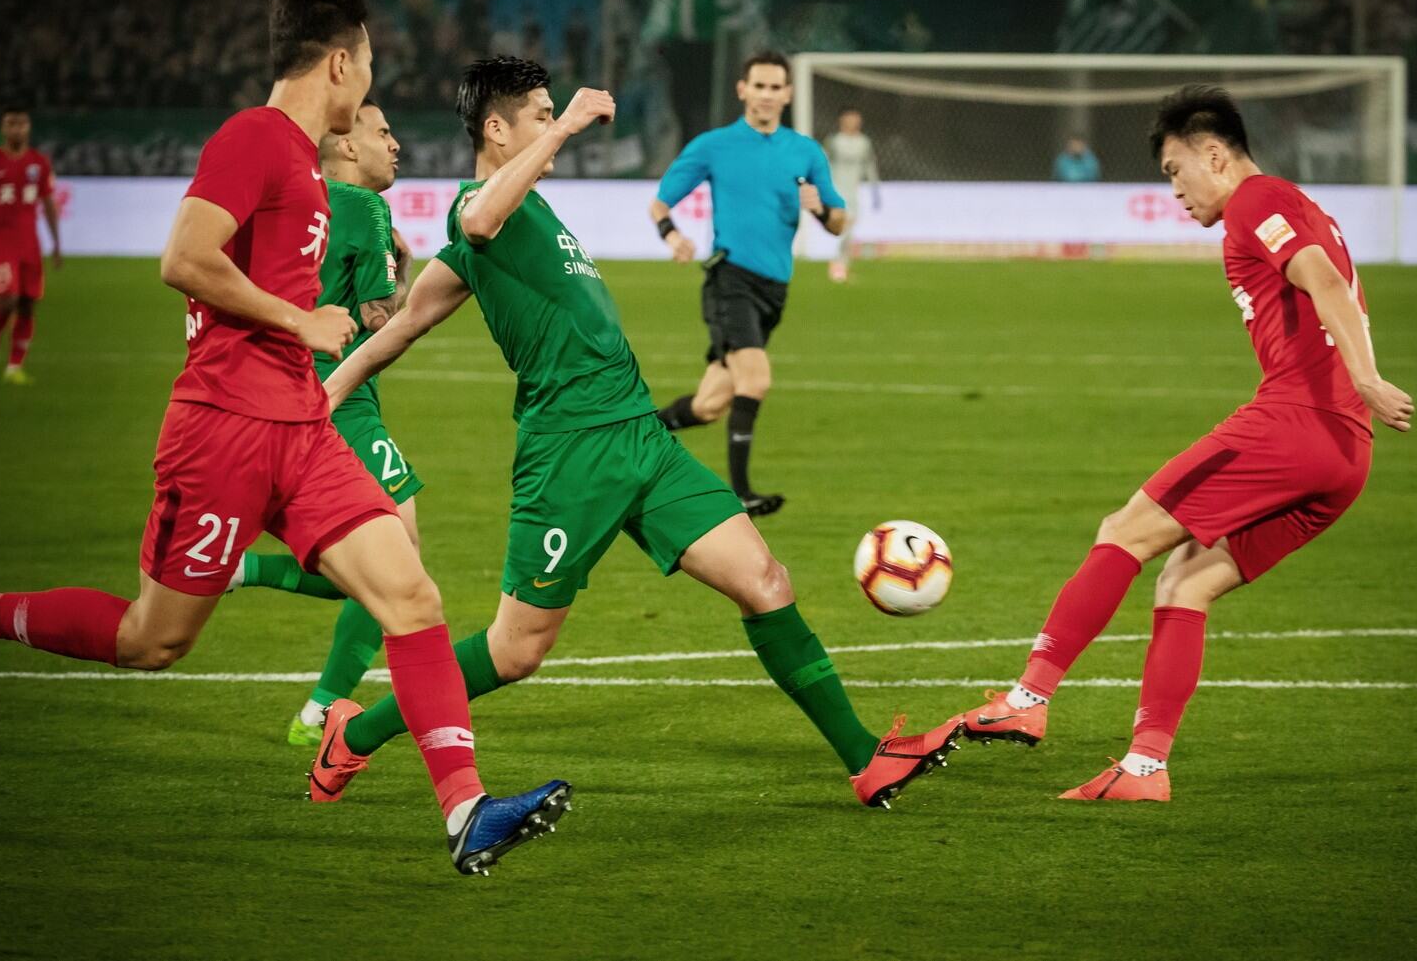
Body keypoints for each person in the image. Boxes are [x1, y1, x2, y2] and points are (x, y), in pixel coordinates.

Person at [0, 0, 562, 877]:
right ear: (339, 63)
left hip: (300, 427)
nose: (371, 84)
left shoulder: (305, 164)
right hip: (222, 429)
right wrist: (300, 320)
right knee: (152, 639)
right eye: (367, 64)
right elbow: (183, 257)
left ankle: (466, 810)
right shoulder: (253, 137)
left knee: (411, 598)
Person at [310, 55, 963, 814]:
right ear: (497, 129)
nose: (552, 125)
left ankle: (864, 759)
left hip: (642, 438)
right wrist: (567, 126)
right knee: (516, 650)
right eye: (539, 114)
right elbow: (477, 222)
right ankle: (356, 733)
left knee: (765, 581)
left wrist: (328, 391)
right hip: (569, 455)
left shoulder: (521, 218)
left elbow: (403, 325)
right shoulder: (475, 211)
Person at [955, 85, 1413, 800]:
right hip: (1346, 453)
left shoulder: (1256, 200)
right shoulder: (1293, 205)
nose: (1173, 190)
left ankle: (1027, 697)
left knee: (1124, 531)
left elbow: (1323, 280)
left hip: (1296, 423)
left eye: (1175, 171)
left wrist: (1368, 377)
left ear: (1214, 155)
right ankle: (1145, 767)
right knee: (1186, 581)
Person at [219, 98, 424, 747]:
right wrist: (413, 281)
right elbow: (379, 321)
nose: (395, 144)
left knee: (371, 567)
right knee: (397, 558)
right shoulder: (365, 207)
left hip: (277, 392)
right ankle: (322, 711)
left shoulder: (296, 204)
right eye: (383, 132)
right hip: (341, 399)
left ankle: (244, 573)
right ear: (347, 145)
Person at [649, 51, 847, 516]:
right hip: (730, 279)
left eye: (775, 87)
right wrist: (673, 236)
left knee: (709, 405)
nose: (766, 95)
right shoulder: (714, 146)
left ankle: (627, 437)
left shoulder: (805, 151)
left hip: (774, 290)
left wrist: (820, 209)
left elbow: (838, 221)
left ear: (788, 94)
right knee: (755, 379)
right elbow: (660, 203)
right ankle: (741, 494)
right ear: (742, 90)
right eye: (759, 85)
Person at [0, 103, 61, 384]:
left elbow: (48, 203)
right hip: (0, 242)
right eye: (11, 123)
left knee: (28, 304)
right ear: (3, 128)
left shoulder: (38, 163)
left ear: (28, 127)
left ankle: (14, 367)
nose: (16, 129)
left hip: (29, 243)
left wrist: (56, 243)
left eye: (21, 123)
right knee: (7, 300)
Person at [822, 107, 881, 283]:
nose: (853, 122)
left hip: (853, 193)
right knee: (843, 228)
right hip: (836, 191)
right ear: (842, 120)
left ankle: (841, 266)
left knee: (849, 231)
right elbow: (822, 163)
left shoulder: (864, 142)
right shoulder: (834, 142)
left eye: (856, 118)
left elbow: (869, 166)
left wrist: (875, 189)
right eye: (849, 118)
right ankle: (838, 265)